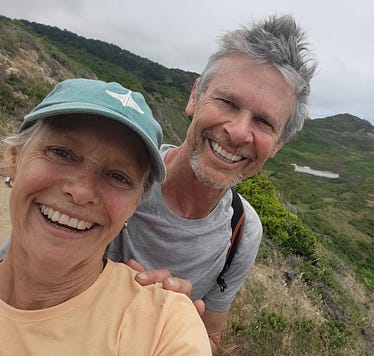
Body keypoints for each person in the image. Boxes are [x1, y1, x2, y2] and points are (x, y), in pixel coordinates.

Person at [106, 14, 317, 353]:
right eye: (227, 102)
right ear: (195, 96)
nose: (237, 131)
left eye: (264, 122)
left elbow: (211, 339)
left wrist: (178, 326)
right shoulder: (115, 177)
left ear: (277, 145)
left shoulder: (242, 230)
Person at [0, 78, 212, 355]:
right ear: (13, 158)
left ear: (136, 203)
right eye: (61, 153)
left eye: (117, 176)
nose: (81, 191)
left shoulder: (163, 325)